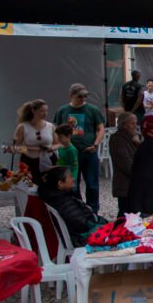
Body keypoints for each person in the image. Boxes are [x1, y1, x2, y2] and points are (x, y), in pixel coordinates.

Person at [52, 84, 105, 213]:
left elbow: (100, 128)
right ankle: (77, 208)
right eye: (79, 96)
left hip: (88, 151)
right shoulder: (62, 111)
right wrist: (58, 146)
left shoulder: (92, 110)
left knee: (92, 184)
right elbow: (55, 129)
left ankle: (93, 211)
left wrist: (96, 144)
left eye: (85, 96)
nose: (82, 98)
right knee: (72, 184)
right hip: (69, 152)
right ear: (71, 96)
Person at [39, 167, 107, 247]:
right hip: (81, 238)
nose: (73, 178)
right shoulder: (62, 201)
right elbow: (82, 224)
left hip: (81, 234)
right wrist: (101, 222)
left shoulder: (59, 196)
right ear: (60, 183)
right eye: (70, 177)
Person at [12, 99, 55, 182]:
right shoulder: (22, 127)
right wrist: (32, 149)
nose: (45, 113)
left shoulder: (50, 126)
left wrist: (51, 148)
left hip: (47, 161)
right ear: (33, 111)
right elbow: (16, 147)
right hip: (29, 161)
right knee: (29, 186)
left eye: (46, 111)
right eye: (41, 111)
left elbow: (58, 144)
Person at [109, 112, 140, 218]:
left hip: (133, 184)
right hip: (125, 185)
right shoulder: (118, 139)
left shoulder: (132, 138)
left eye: (135, 123)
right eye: (132, 124)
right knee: (125, 214)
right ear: (124, 124)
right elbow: (124, 162)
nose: (135, 126)